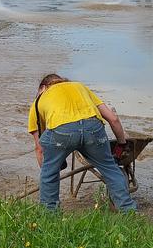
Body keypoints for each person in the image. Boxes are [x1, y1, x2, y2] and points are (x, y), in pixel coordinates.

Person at [28, 74, 137, 212]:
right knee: (110, 168)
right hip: (93, 129)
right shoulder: (80, 87)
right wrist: (121, 144)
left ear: (43, 87)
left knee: (49, 173)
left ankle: (49, 214)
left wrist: (48, 169)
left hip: (61, 132)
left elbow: (39, 148)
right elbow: (113, 119)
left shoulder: (38, 102)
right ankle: (129, 211)